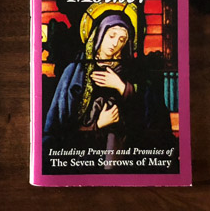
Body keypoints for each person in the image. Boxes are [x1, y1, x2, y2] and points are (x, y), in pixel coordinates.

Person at [43, 10, 141, 171]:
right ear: (100, 33)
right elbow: (58, 126)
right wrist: (98, 125)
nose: (115, 43)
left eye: (122, 39)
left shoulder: (130, 73)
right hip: (79, 158)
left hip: (119, 158)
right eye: (112, 35)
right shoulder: (75, 71)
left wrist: (121, 87)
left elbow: (143, 119)